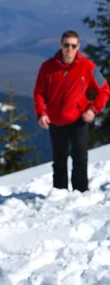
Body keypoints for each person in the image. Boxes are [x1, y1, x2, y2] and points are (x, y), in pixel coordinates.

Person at [33, 30, 109, 192]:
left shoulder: (88, 67)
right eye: (66, 45)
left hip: (78, 121)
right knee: (59, 161)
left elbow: (104, 90)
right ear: (61, 45)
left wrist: (93, 110)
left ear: (78, 47)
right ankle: (59, 194)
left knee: (80, 159)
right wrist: (41, 113)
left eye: (73, 46)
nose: (70, 49)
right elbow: (39, 92)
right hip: (56, 121)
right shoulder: (48, 67)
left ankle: (81, 193)